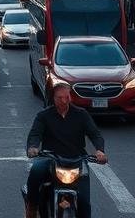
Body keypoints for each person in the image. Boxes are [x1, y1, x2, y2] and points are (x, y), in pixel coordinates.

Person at [24, 82, 107, 218]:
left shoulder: (81, 114)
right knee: (35, 171)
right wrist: (33, 147)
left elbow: (95, 134)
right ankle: (32, 205)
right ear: (53, 98)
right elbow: (35, 134)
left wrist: (100, 150)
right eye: (59, 98)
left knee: (84, 201)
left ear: (70, 97)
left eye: (66, 97)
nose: (63, 101)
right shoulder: (43, 116)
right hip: (50, 157)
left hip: (77, 158)